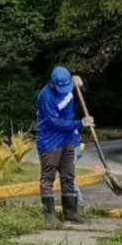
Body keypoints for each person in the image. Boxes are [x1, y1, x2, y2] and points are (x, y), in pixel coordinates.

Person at [36, 66, 90, 223]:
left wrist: (81, 83)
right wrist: (80, 123)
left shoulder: (70, 84)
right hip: (50, 142)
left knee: (68, 176)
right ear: (53, 83)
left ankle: (71, 212)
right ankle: (49, 215)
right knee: (48, 178)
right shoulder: (45, 97)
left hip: (67, 140)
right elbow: (55, 123)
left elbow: (83, 93)